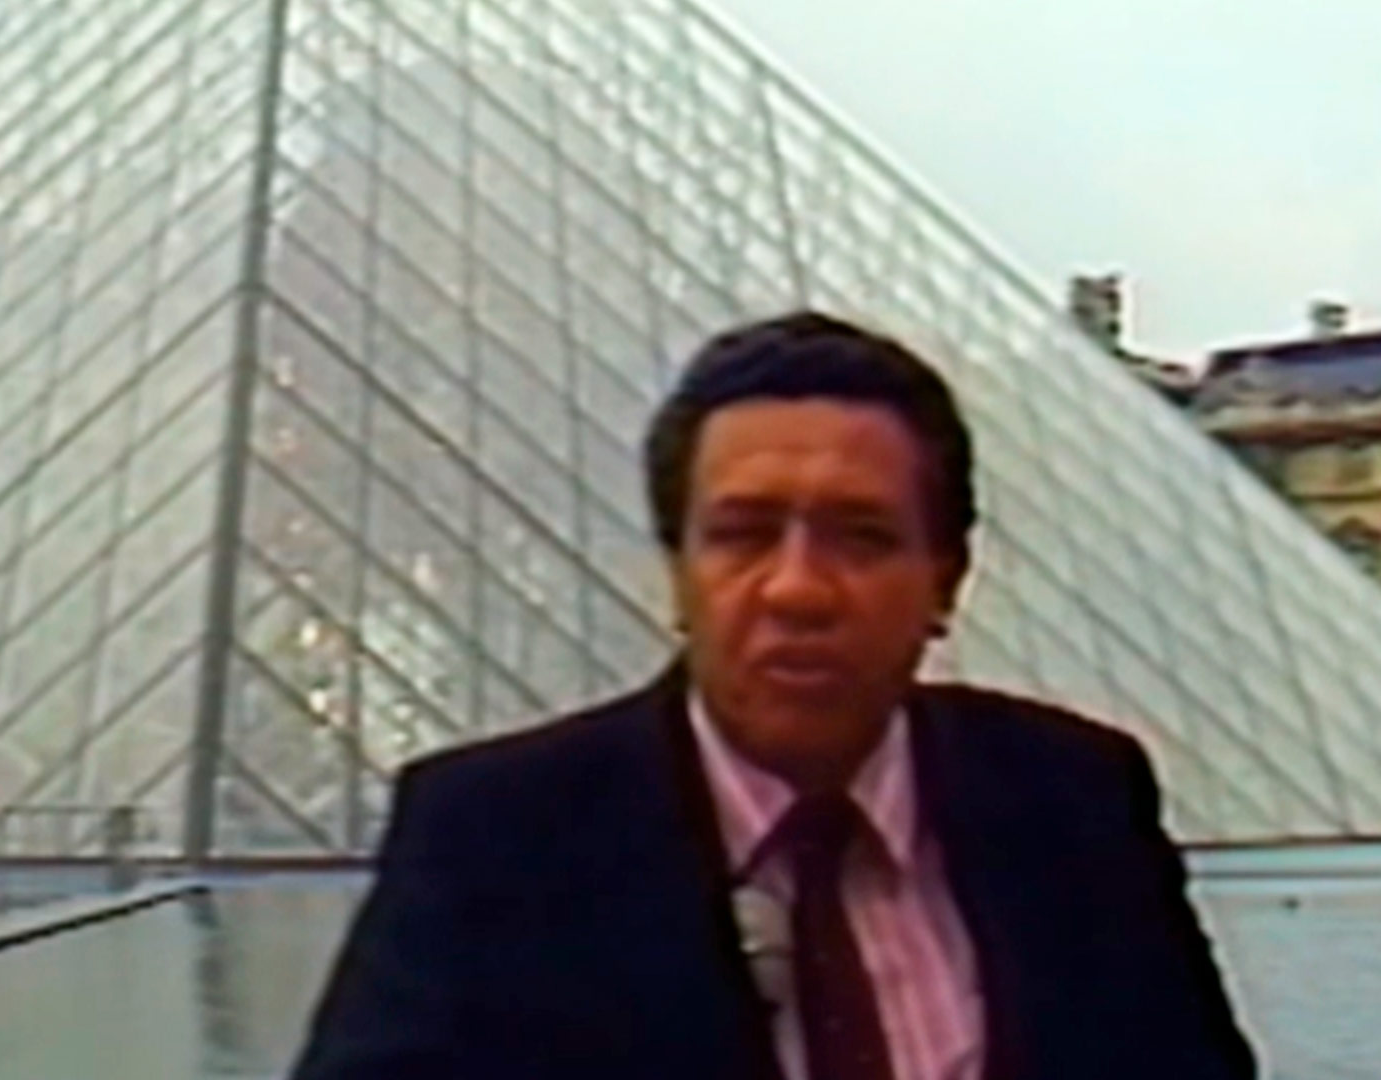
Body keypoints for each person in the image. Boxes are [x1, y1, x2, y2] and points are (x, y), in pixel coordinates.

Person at [290, 314, 1257, 1080]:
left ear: (946, 581)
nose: (797, 588)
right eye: (744, 534)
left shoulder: (1076, 802)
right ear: (676, 573)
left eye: (862, 536)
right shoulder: (494, 839)